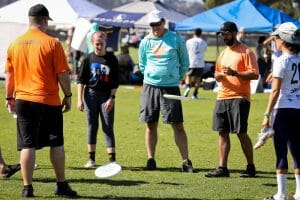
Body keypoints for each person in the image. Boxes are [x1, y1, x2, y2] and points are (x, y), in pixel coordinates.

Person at [5, 4, 77, 198]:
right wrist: (68, 96)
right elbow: (62, 74)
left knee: (27, 145)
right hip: (48, 100)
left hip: (23, 100)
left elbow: (9, 75)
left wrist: (9, 97)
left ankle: (27, 188)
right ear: (45, 20)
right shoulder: (52, 43)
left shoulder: (15, 43)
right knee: (56, 143)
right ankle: (61, 185)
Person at [138, 10, 193, 172]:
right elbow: (142, 64)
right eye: (152, 24)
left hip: (171, 87)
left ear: (163, 22)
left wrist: (176, 77)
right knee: (150, 124)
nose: (154, 27)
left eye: (157, 23)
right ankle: (151, 160)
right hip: (150, 86)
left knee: (178, 125)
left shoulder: (175, 39)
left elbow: (185, 62)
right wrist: (151, 75)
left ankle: (186, 161)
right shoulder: (145, 41)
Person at [205, 21, 259, 178]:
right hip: (222, 97)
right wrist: (217, 76)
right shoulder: (223, 54)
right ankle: (222, 168)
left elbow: (255, 74)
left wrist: (235, 73)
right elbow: (217, 74)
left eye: (226, 34)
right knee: (222, 132)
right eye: (222, 34)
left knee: (241, 133)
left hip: (240, 97)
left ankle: (250, 167)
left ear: (235, 33)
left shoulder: (246, 52)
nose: (223, 37)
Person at [261, 22, 300, 200]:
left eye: (276, 38)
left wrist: (266, 114)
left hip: (282, 110)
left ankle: (281, 194)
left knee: (281, 151)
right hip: (298, 109)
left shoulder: (280, 61)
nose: (275, 41)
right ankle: (299, 193)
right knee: (297, 151)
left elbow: (275, 91)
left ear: (283, 40)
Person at [77, 31, 119, 168]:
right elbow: (80, 80)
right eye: (96, 44)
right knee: (91, 126)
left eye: (101, 44)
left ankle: (112, 160)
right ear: (92, 43)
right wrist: (79, 99)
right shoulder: (87, 59)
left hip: (106, 96)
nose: (99, 46)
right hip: (90, 95)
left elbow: (115, 82)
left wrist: (111, 98)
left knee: (108, 125)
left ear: (106, 43)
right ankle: (91, 159)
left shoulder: (112, 59)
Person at [183, 28, 207, 99]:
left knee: (188, 76)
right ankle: (195, 94)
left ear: (194, 33)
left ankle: (187, 87)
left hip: (191, 62)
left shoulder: (188, 41)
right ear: (200, 33)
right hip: (200, 62)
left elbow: (186, 51)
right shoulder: (203, 42)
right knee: (198, 78)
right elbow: (204, 50)